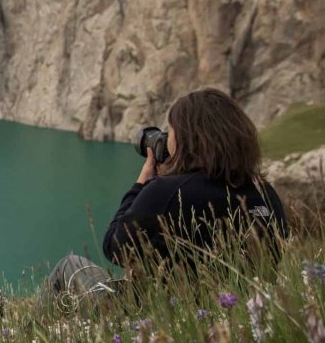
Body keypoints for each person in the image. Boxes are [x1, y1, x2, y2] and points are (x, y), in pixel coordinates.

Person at [46, 88, 288, 306]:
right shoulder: (266, 194)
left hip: (154, 316)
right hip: (240, 312)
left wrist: (143, 183)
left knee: (70, 266)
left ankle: (29, 339)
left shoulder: (169, 192)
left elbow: (115, 247)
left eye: (170, 131)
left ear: (187, 137)